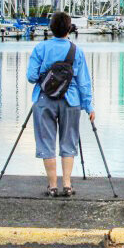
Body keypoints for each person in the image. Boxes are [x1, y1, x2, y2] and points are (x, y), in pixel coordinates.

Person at [26, 11, 94, 197]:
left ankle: (52, 185)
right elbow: (84, 82)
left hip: (44, 99)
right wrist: (89, 106)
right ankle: (67, 184)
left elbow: (31, 77)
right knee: (69, 140)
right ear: (69, 29)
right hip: (71, 100)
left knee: (46, 142)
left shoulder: (40, 48)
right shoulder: (76, 51)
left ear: (51, 28)